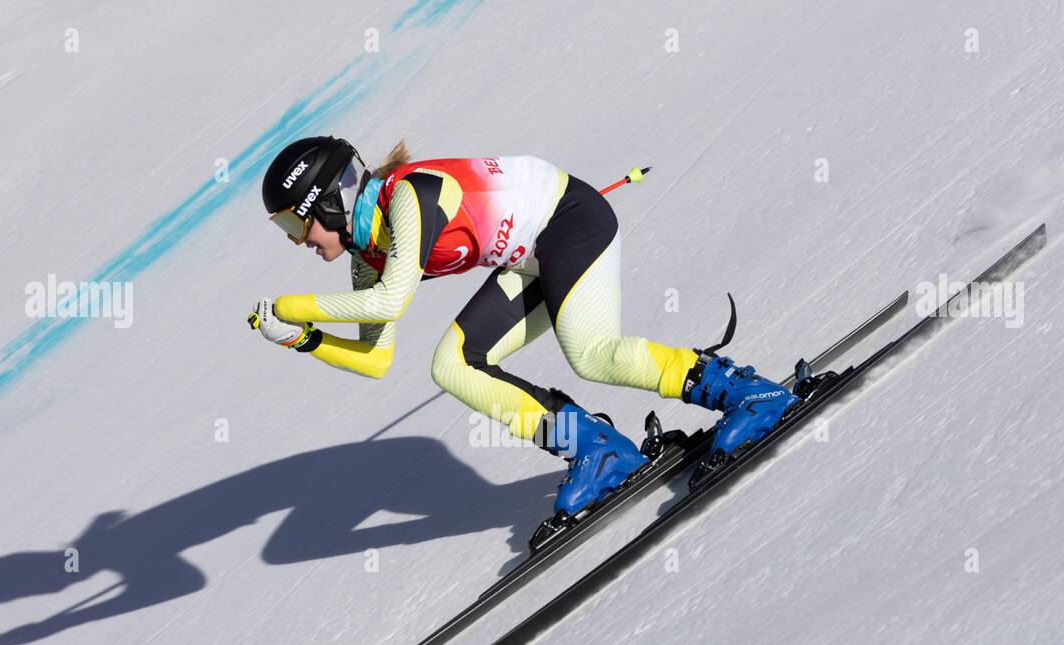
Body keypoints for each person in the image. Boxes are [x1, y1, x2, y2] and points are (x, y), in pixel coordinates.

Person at [249, 136, 800, 519]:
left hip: (570, 221)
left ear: (326, 204)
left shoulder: (409, 197)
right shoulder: (366, 253)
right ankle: (598, 449)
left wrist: (292, 306)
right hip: (531, 254)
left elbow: (390, 303)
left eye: (294, 223)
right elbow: (376, 357)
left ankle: (748, 393)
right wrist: (299, 338)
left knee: (593, 354)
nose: (297, 240)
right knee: (452, 365)